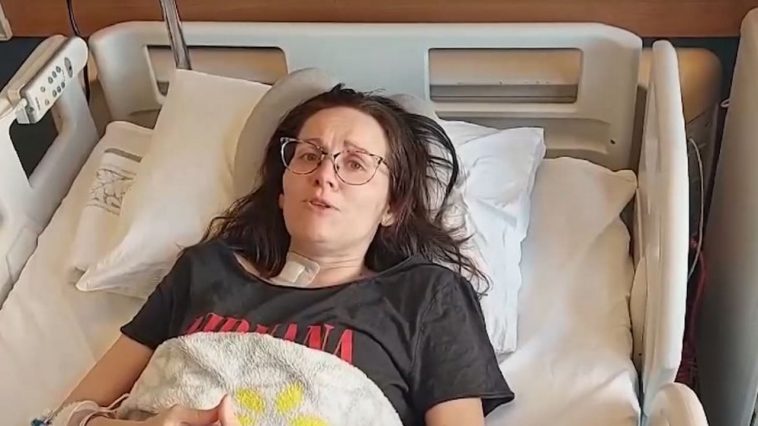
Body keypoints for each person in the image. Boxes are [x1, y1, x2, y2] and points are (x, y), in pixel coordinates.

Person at [51, 85, 513, 426]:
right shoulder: (206, 269)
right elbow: (68, 415)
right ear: (282, 187)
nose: (325, 175)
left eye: (354, 163)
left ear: (391, 206)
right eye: (309, 155)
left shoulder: (426, 296)